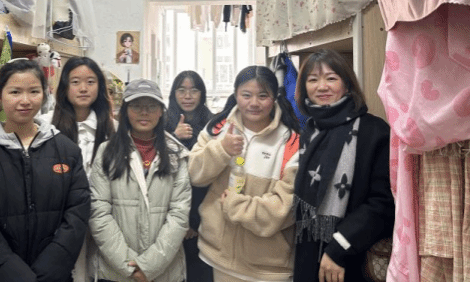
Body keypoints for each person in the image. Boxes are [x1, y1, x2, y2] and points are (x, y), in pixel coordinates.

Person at [0, 58, 90, 282]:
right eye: (15, 92)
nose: (25, 101)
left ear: (45, 94)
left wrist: (48, 271)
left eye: (34, 91)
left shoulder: (67, 151)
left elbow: (76, 218)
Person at [188, 65, 301, 282]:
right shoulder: (217, 129)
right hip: (216, 256)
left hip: (267, 268)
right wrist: (221, 150)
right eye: (246, 95)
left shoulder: (291, 142)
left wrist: (235, 205)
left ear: (274, 98)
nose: (254, 103)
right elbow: (194, 175)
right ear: (235, 95)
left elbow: (284, 208)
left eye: (263, 96)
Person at [292, 49, 395, 282]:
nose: (322, 87)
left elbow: (384, 202)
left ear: (347, 85)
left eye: (331, 78)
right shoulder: (308, 132)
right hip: (308, 254)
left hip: (352, 256)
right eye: (313, 80)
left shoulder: (374, 131)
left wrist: (339, 248)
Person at [89, 78, 191, 282]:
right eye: (136, 106)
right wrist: (129, 265)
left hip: (165, 272)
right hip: (115, 272)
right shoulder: (106, 152)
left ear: (161, 111)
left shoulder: (176, 153)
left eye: (151, 106)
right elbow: (98, 211)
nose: (144, 112)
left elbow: (179, 214)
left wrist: (149, 266)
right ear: (125, 110)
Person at [50, 56, 116, 282]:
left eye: (90, 82)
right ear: (65, 86)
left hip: (102, 220)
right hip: (59, 220)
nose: (83, 88)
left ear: (100, 86)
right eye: (75, 82)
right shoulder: (46, 125)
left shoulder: (113, 129)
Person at [165, 70, 214, 282]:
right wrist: (174, 137)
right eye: (181, 90)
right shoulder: (163, 122)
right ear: (173, 93)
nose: (187, 96)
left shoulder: (213, 124)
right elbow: (155, 168)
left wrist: (194, 221)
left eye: (194, 90)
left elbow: (214, 175)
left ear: (202, 94)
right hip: (169, 213)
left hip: (204, 214)